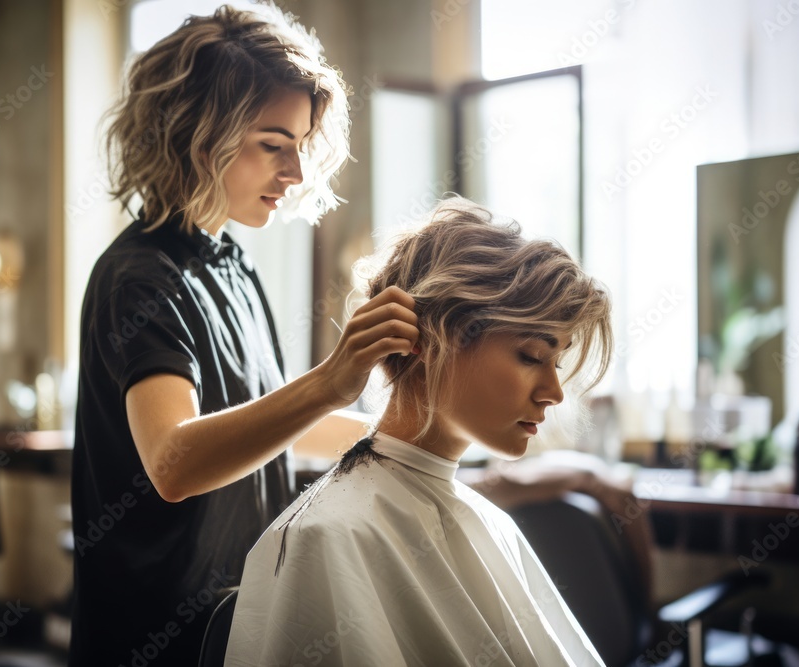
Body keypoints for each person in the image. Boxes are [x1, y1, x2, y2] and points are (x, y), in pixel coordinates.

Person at [69, 5, 420, 666]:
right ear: (195, 135)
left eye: (299, 145)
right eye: (271, 143)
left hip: (238, 621)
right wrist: (327, 380)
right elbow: (174, 462)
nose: (293, 174)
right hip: (158, 639)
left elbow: (266, 419)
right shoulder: (139, 278)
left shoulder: (231, 262)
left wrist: (409, 434)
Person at [226, 197, 614, 666]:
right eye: (532, 355)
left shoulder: (490, 523)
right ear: (432, 338)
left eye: (557, 362)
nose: (553, 391)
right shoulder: (328, 535)